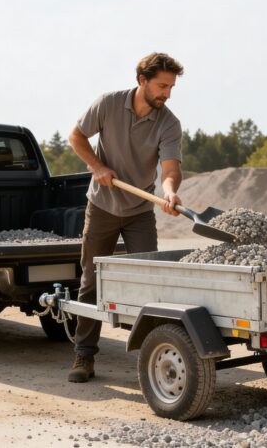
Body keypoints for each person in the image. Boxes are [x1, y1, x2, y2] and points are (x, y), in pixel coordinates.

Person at [65, 52, 185, 383]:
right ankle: (84, 354)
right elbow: (76, 136)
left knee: (150, 281)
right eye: (162, 86)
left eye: (171, 87)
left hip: (139, 211)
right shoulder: (108, 104)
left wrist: (170, 191)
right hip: (101, 206)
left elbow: (170, 169)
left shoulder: (169, 123)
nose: (167, 94)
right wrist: (97, 166)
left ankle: (154, 357)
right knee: (91, 280)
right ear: (142, 80)